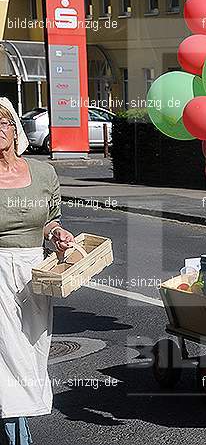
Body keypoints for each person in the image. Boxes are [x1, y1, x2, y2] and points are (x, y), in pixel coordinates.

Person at [0, 97, 74, 444]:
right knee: (7, 351)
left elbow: (49, 221)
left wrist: (56, 233)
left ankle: (12, 422)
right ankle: (18, 436)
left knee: (32, 350)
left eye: (3, 123)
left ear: (15, 130)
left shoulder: (43, 172)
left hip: (34, 271)